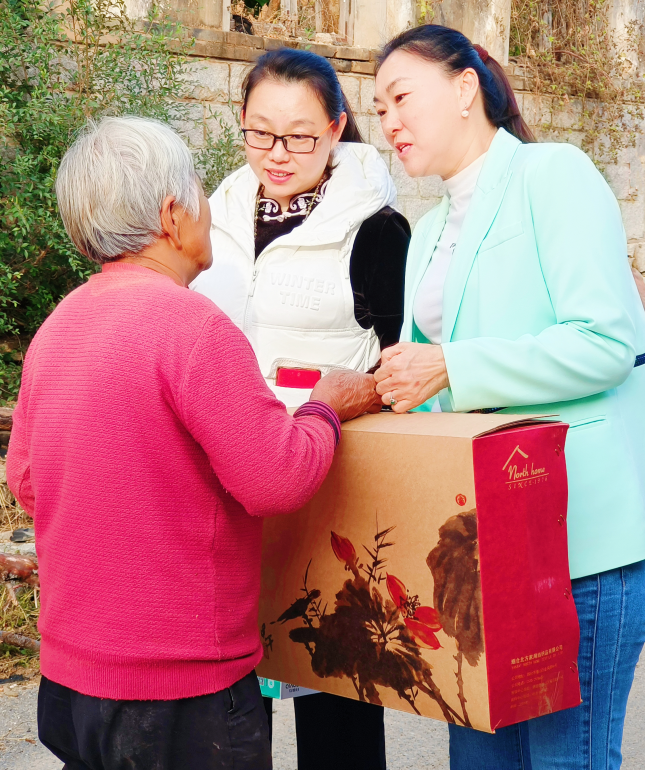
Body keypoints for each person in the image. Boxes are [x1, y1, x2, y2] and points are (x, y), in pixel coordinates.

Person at [5, 115, 379, 770]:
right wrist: (327, 405)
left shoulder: (57, 328)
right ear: (174, 214)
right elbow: (278, 477)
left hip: (71, 682)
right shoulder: (194, 328)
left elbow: (28, 482)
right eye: (202, 194)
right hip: (179, 695)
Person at [372, 25, 645, 769]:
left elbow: (605, 342)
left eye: (400, 96)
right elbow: (426, 384)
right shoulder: (424, 233)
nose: (388, 121)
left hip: (575, 546)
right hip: (479, 558)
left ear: (463, 89)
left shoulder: (552, 175)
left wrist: (451, 364)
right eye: (378, 105)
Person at [192, 47, 410, 770]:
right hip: (227, 485)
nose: (277, 154)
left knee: (336, 703)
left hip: (330, 489)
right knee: (230, 706)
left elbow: (402, 369)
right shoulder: (211, 220)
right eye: (259, 132)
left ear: (338, 127)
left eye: (300, 136)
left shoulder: (378, 229)